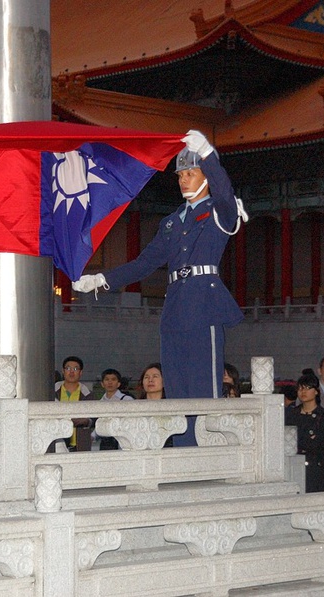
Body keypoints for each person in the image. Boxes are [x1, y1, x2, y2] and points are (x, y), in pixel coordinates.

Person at [72, 131, 245, 446]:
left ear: (206, 177)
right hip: (175, 309)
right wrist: (102, 280)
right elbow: (143, 263)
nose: (183, 180)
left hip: (203, 306)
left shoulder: (219, 212)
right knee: (177, 392)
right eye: (181, 175)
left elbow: (224, 192)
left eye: (190, 173)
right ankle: (182, 454)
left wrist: (208, 155)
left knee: (203, 390)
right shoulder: (171, 222)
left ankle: (203, 461)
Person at [284, 372, 324, 493]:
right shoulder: (290, 414)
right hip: (294, 463)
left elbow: (316, 443)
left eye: (307, 388)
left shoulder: (323, 416)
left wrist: (299, 440)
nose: (303, 392)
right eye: (300, 388)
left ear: (316, 391)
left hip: (317, 466)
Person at [54, 356, 97, 451]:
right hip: (57, 443)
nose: (71, 372)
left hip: (79, 446)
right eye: (68, 368)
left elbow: (94, 419)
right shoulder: (51, 392)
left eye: (75, 369)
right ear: (63, 371)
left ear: (80, 372)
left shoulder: (87, 394)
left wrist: (85, 421)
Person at [96, 368, 133, 450]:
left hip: (123, 440)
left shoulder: (127, 400)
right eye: (107, 379)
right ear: (102, 384)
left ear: (118, 383)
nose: (110, 382)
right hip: (105, 440)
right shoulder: (99, 402)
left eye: (113, 379)